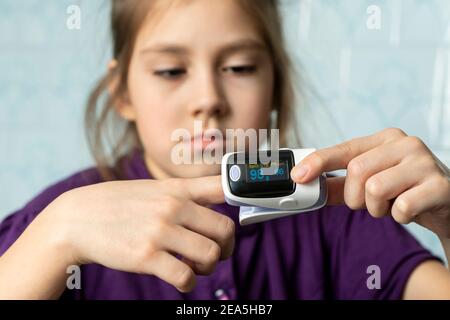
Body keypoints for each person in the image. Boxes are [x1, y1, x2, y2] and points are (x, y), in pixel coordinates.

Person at [1, 0, 450, 299]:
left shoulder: (336, 216)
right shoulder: (59, 222)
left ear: (275, 85)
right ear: (122, 93)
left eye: (239, 67)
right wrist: (54, 239)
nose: (208, 98)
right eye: (172, 70)